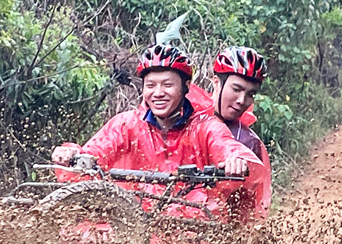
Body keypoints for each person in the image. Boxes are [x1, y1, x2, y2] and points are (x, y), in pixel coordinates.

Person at [52, 44, 261, 220]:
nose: (158, 93)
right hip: (130, 225)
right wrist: (70, 154)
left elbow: (225, 145)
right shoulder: (126, 124)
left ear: (186, 86)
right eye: (150, 85)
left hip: (187, 232)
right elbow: (93, 154)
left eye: (168, 85)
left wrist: (234, 160)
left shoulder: (205, 126)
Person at [186, 46, 272, 223]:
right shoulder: (184, 117)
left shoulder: (248, 142)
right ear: (216, 82)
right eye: (236, 89)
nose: (242, 101)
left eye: (250, 94)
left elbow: (247, 215)